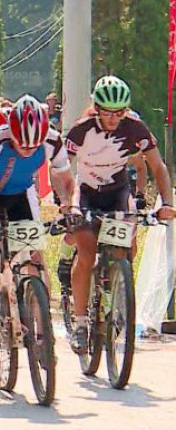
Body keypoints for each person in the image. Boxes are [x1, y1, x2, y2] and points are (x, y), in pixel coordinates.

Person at [65, 75, 175, 353]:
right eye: (107, 112)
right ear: (96, 108)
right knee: (87, 254)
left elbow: (158, 167)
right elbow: (62, 168)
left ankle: (117, 285)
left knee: (127, 244)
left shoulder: (135, 128)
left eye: (119, 112)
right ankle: (79, 323)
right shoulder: (81, 130)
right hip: (87, 192)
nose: (113, 118)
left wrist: (166, 203)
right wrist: (67, 206)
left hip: (117, 191)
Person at [0, 95, 77, 324]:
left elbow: (67, 181)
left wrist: (70, 208)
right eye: (21, 144)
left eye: (34, 145)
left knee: (35, 255)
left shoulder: (53, 141)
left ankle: (43, 330)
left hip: (20, 191)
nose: (28, 150)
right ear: (11, 132)